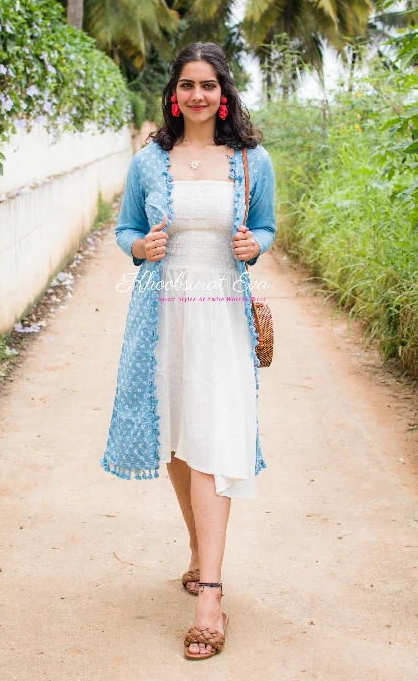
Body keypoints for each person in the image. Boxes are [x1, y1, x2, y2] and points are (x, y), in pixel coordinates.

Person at [101, 42, 276, 660]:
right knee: (175, 441)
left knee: (210, 442)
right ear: (173, 95)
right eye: (186, 85)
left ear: (222, 93)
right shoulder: (151, 160)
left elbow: (267, 226)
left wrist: (256, 244)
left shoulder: (251, 160)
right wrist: (136, 248)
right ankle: (202, 555)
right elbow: (123, 227)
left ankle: (211, 598)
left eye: (208, 85)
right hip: (163, 313)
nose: (197, 95)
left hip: (222, 314)